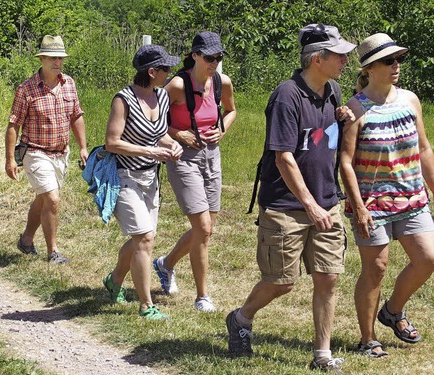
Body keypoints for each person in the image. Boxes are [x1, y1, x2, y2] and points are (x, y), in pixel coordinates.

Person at [225, 24, 355, 371]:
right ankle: (241, 318)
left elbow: (323, 140)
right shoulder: (287, 95)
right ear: (317, 59)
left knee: (328, 277)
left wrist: (343, 118)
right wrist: (310, 206)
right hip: (287, 205)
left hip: (327, 201)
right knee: (281, 282)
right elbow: (283, 157)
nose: (345, 59)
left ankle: (322, 355)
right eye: (339, 55)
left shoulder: (333, 91)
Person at [340, 33, 434, 357]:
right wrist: (359, 208)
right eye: (388, 60)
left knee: (428, 259)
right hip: (371, 202)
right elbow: (346, 163)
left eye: (398, 59)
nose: (396, 65)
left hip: (411, 197)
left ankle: (392, 311)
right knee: (375, 268)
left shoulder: (410, 100)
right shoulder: (355, 109)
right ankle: (367, 340)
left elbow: (423, 150)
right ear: (369, 68)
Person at [152, 31, 237, 312]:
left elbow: (232, 111)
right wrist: (180, 134)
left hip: (211, 155)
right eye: (209, 57)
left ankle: (165, 264)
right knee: (202, 227)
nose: (214, 63)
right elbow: (152, 123)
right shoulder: (176, 86)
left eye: (219, 57)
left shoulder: (222, 82)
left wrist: (221, 130)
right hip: (183, 157)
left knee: (206, 229)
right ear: (195, 56)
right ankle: (202, 296)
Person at [101, 44, 183, 320]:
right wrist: (151, 151)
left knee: (142, 239)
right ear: (152, 72)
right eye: (166, 69)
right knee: (144, 239)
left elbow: (159, 134)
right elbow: (112, 143)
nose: (170, 73)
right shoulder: (123, 100)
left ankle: (114, 281)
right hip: (125, 178)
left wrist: (173, 145)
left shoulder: (161, 97)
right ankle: (146, 305)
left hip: (151, 178)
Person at [5, 35, 88, 263]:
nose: (57, 62)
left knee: (43, 199)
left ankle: (26, 240)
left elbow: (76, 115)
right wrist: (10, 159)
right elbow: (13, 124)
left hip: (61, 153)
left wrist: (83, 146)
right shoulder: (27, 89)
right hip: (35, 152)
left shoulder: (69, 83)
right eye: (52, 57)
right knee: (52, 199)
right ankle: (53, 252)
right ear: (41, 59)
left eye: (60, 58)